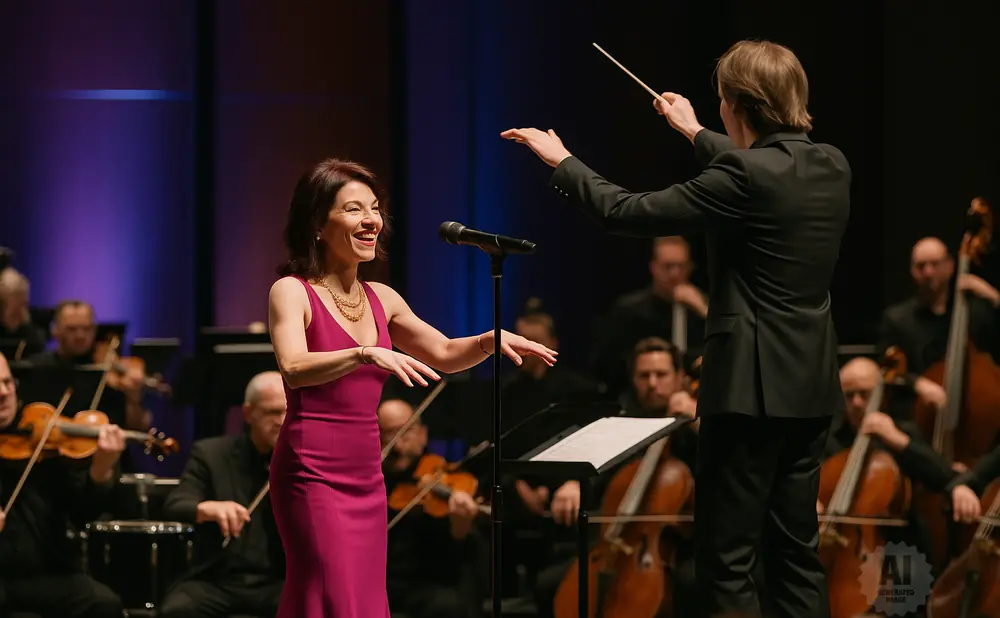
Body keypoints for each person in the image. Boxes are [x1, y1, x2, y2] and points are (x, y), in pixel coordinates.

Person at [503, 40, 850, 618]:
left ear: (738, 104)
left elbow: (625, 211)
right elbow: (756, 168)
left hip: (747, 391)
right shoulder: (832, 165)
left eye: (720, 103)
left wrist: (561, 160)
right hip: (811, 386)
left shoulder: (740, 173)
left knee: (728, 558)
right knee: (795, 553)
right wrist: (691, 130)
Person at [266, 158, 558, 618]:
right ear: (318, 224)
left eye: (375, 208)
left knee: (360, 599)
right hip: (310, 471)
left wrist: (488, 340)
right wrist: (363, 353)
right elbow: (294, 366)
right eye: (353, 209)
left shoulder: (383, 298)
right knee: (329, 590)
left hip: (366, 473)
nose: (371, 221)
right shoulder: (293, 291)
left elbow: (441, 352)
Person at [0, 351, 127, 618]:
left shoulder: (44, 440)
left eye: (7, 383)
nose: (3, 393)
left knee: (105, 603)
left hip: (47, 574)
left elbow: (82, 512)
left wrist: (101, 469)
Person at [158, 371, 286, 618]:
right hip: (217, 579)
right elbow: (176, 503)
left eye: (287, 412)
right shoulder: (212, 454)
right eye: (272, 412)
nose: (282, 420)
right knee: (178, 609)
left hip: (278, 579)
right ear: (248, 413)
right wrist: (208, 508)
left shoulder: (304, 459)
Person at [379, 398, 488, 618]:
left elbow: (459, 550)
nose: (400, 441)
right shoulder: (374, 480)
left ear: (423, 435)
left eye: (407, 430)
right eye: (390, 432)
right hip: (384, 580)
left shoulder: (442, 473)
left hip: (430, 579)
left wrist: (460, 526)